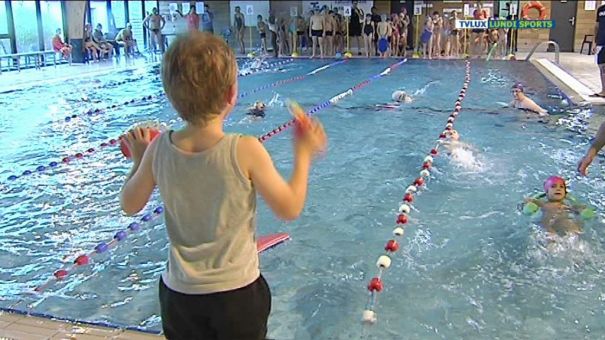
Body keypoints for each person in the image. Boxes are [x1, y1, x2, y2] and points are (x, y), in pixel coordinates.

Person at [119, 32, 327, 339]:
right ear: (232, 94)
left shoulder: (159, 148)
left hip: (179, 296)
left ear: (170, 95)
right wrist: (303, 154)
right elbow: (289, 207)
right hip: (236, 294)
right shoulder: (244, 149)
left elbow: (129, 204)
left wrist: (138, 159)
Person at [590, 2, 605, 98]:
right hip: (601, 41)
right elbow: (596, 26)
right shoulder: (601, 9)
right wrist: (594, 42)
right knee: (602, 66)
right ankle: (604, 90)